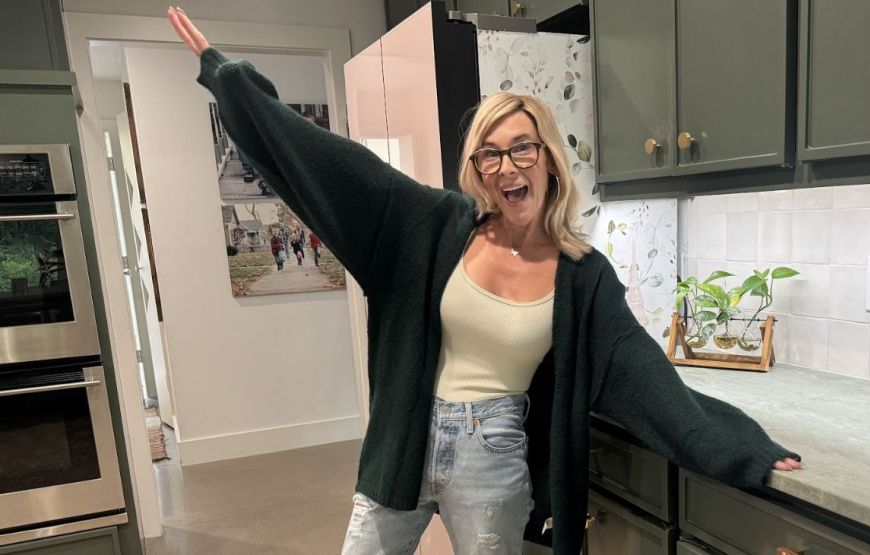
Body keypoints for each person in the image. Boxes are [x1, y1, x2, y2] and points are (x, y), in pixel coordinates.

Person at [167, 9, 801, 555]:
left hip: (494, 455)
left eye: (523, 148)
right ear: (478, 168)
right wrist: (234, 83)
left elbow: (642, 373)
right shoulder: (435, 224)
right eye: (489, 153)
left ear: (549, 159)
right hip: (405, 437)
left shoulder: (584, 276)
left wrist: (737, 446)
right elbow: (332, 165)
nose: (507, 166)